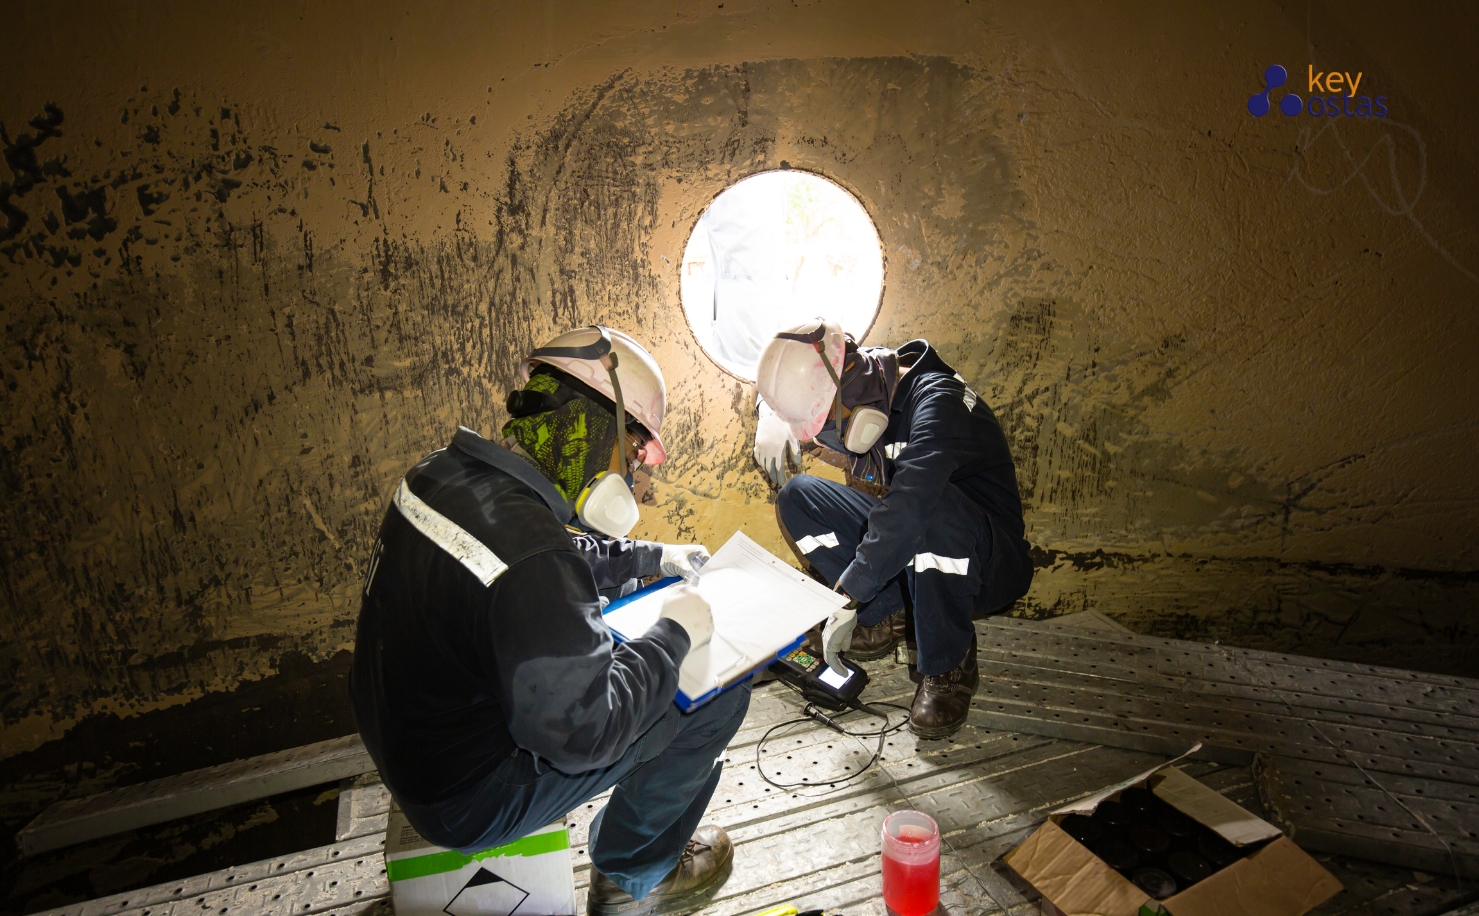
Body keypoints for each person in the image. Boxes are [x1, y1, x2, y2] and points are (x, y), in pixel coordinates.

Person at [351, 326, 746, 916]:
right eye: (636, 451)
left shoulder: (441, 475)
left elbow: (544, 554)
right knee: (713, 694)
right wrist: (674, 634)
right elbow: (588, 733)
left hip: (408, 743)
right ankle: (632, 879)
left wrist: (650, 557)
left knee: (633, 616)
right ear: (598, 433)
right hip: (465, 800)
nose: (635, 473)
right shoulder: (534, 554)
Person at [753, 320, 1033, 738]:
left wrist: (847, 595)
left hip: (987, 562)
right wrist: (770, 415)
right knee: (799, 497)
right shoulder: (868, 377)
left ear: (851, 404)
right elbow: (789, 368)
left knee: (926, 509)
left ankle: (949, 661)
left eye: (825, 433)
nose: (826, 447)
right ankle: (887, 616)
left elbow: (910, 508)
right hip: (921, 541)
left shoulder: (939, 401)